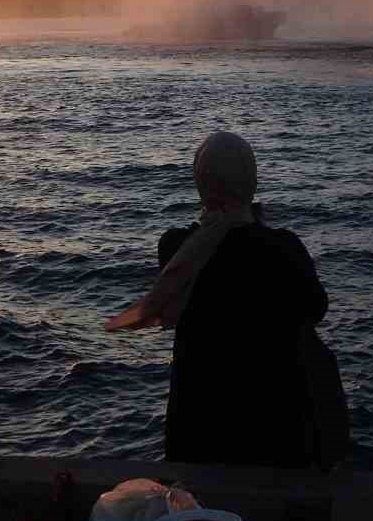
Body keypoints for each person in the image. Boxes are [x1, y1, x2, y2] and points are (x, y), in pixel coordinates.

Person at [108, 131, 329, 468]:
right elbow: (316, 309)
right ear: (252, 183)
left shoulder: (175, 247)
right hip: (275, 429)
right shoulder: (284, 248)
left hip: (198, 425)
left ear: (200, 185)